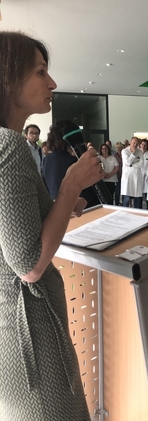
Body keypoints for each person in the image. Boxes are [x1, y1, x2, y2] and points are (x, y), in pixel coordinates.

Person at [0, 31, 105, 420]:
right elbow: (29, 265)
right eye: (41, 71)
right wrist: (72, 185)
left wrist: (63, 206)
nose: (52, 83)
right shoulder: (9, 147)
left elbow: (15, 233)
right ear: (8, 78)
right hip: (31, 339)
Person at [42, 119, 99, 211]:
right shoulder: (76, 161)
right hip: (81, 211)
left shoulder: (47, 160)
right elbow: (89, 190)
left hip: (57, 212)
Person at [121, 136, 143, 208]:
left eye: (137, 143)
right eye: (134, 143)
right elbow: (127, 162)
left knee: (137, 198)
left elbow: (141, 164)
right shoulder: (124, 151)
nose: (135, 145)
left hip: (137, 177)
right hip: (128, 178)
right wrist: (133, 153)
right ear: (130, 142)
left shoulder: (139, 151)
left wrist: (132, 165)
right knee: (126, 198)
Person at [114, 141, 123, 205]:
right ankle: (117, 204)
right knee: (117, 191)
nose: (119, 149)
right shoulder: (115, 156)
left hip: (125, 175)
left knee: (124, 191)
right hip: (118, 175)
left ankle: (124, 203)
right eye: (117, 147)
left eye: (120, 147)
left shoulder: (125, 154)